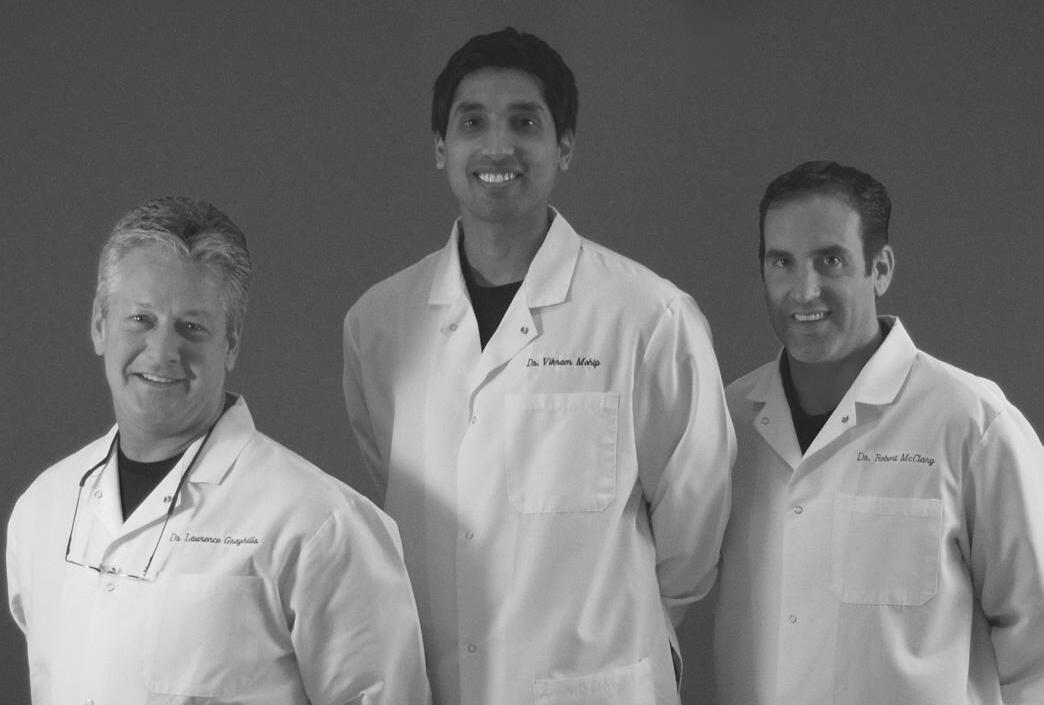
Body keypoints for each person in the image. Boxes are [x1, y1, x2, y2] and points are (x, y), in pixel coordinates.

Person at [342, 26, 734, 705]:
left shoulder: (647, 315)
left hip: (594, 682)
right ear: (440, 148)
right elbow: (395, 483)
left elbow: (694, 529)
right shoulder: (380, 323)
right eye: (473, 123)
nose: (498, 147)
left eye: (525, 122)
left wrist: (617, 622)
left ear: (565, 146)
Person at [6, 196, 431, 705]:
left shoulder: (320, 524)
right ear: (100, 323)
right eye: (141, 318)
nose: (162, 352)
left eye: (191, 327)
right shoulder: (44, 509)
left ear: (230, 343)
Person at [714, 160, 1044, 704]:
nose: (805, 290)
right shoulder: (729, 422)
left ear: (881, 268)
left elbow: (1036, 642)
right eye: (782, 262)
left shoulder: (970, 423)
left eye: (830, 260)